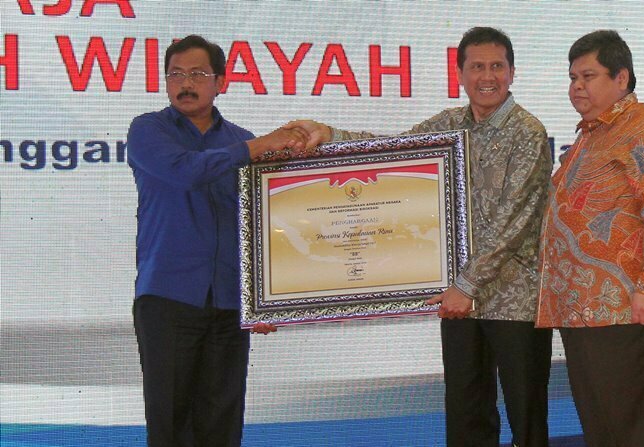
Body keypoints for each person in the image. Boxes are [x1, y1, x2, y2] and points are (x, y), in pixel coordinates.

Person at [287, 27, 553, 447]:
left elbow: (514, 221)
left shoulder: (528, 132)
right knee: (466, 417)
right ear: (460, 74)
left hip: (514, 300)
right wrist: (330, 134)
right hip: (458, 302)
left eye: (497, 66)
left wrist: (466, 285)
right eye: (477, 67)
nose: (487, 76)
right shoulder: (449, 124)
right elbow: (392, 150)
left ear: (512, 72)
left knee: (527, 418)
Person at [127, 35, 307, 447]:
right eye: (175, 75)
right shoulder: (148, 130)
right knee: (171, 425)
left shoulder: (242, 140)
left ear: (220, 82)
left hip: (229, 304)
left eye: (197, 74)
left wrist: (264, 298)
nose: (185, 83)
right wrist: (256, 147)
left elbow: (263, 223)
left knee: (222, 426)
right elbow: (187, 171)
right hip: (169, 298)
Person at [535, 30, 644, 447]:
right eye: (573, 77)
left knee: (642, 432)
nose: (577, 86)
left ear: (621, 78)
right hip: (588, 316)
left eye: (588, 76)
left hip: (632, 312)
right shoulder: (592, 135)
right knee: (606, 432)